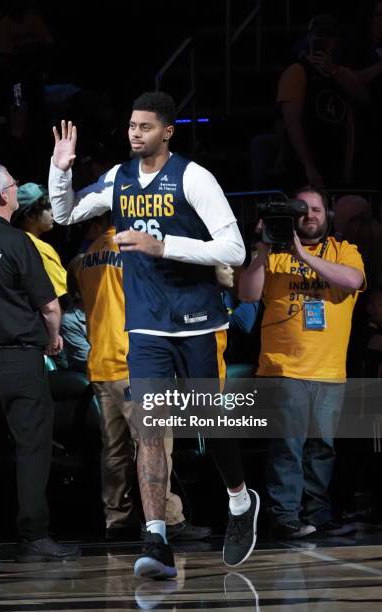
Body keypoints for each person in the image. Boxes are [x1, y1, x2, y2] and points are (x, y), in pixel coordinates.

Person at [49, 92, 259, 579]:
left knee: (210, 423)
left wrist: (162, 246)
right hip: (144, 326)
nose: (135, 133)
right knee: (148, 428)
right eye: (130, 125)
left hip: (196, 320)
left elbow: (234, 247)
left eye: (145, 126)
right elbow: (64, 214)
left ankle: (239, 500)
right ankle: (156, 537)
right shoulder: (119, 179)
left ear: (167, 132)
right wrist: (60, 170)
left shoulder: (193, 177)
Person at [0, 163, 80, 562]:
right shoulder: (17, 242)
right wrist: (54, 337)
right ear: (2, 197)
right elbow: (49, 305)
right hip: (21, 359)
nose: (14, 189)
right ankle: (33, 536)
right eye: (12, 184)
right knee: (33, 448)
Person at [70, 214, 211, 542]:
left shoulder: (84, 258)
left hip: (101, 365)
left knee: (114, 450)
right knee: (155, 444)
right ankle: (168, 519)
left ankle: (117, 519)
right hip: (135, 363)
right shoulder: (133, 251)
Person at [239, 186, 365, 538]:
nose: (309, 215)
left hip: (329, 370)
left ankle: (318, 514)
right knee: (287, 446)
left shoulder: (345, 251)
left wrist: (301, 253)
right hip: (283, 369)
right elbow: (247, 293)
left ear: (329, 216)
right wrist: (263, 249)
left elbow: (352, 280)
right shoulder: (273, 254)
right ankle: (285, 516)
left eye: (317, 210)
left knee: (321, 449)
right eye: (303, 210)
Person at [276, 14, 367, 189]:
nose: (322, 39)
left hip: (336, 162)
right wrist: (309, 167)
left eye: (328, 35)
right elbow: (291, 124)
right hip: (306, 166)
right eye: (318, 34)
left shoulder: (341, 74)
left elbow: (362, 99)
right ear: (309, 37)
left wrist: (332, 70)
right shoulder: (297, 72)